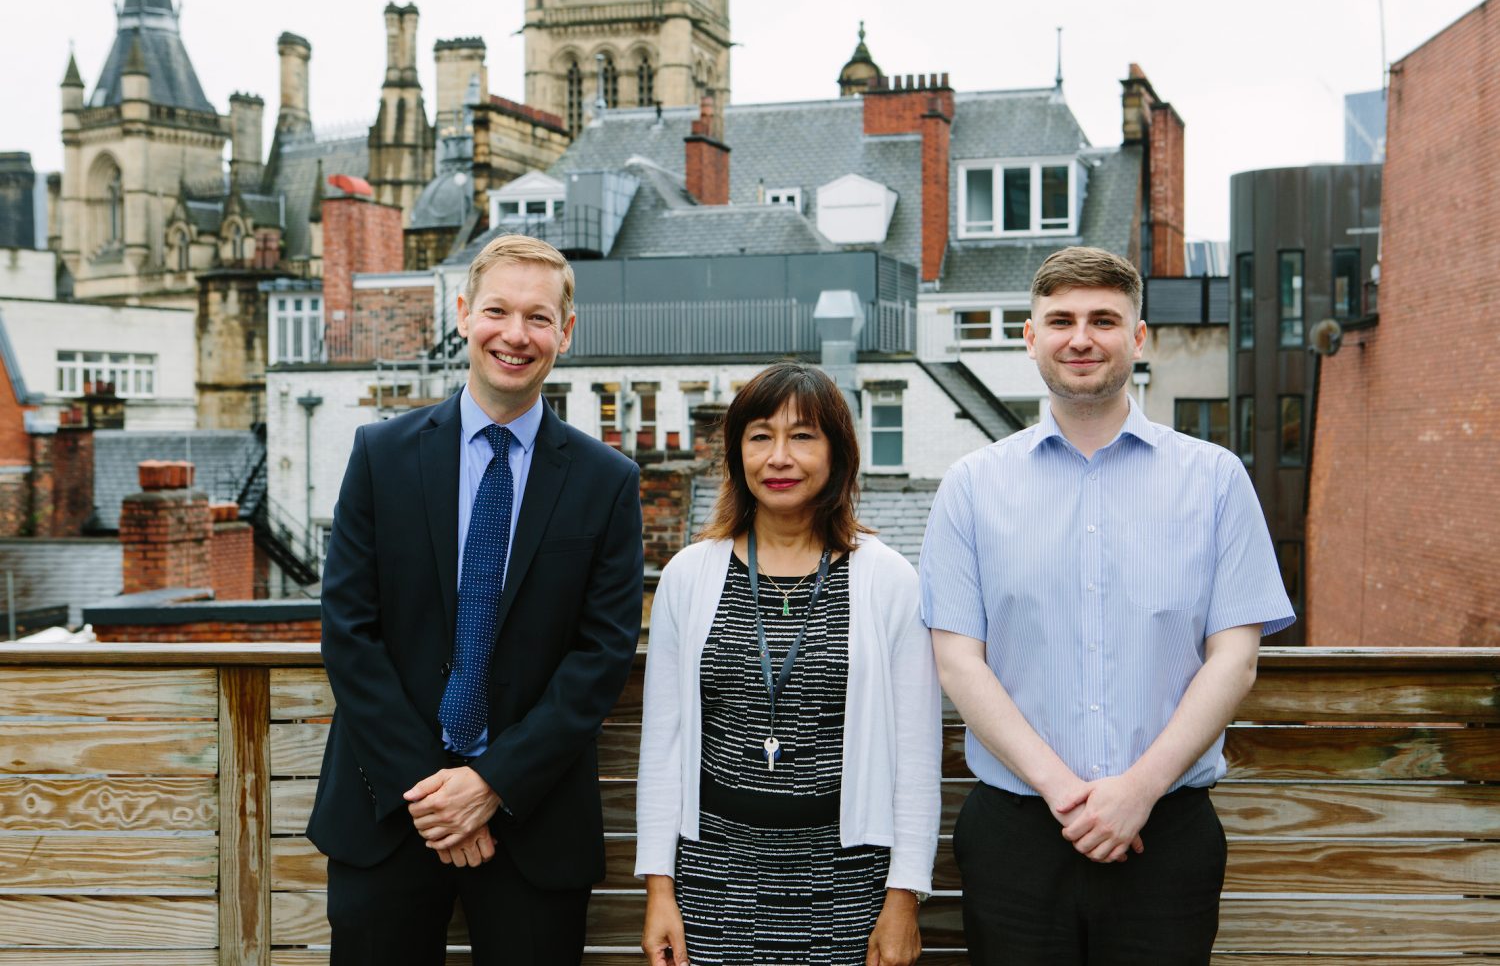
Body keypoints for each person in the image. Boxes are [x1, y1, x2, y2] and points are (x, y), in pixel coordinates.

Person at [920, 246, 1294, 966]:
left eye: (1104, 319)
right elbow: (958, 663)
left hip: (1167, 831)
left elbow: (1236, 659)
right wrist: (1069, 794)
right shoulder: (970, 487)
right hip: (1016, 834)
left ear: (1139, 337)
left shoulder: (1215, 480)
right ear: (1030, 338)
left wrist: (1136, 792)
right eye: (1059, 320)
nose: (1081, 337)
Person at [308, 234, 644, 966]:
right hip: (386, 812)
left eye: (538, 318)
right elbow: (348, 631)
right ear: (462, 314)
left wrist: (491, 783)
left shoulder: (607, 482)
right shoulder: (380, 455)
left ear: (566, 332)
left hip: (535, 824)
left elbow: (602, 655)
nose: (515, 335)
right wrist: (433, 796)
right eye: (497, 310)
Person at [636, 362, 941, 966]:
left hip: (846, 875)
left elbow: (915, 752)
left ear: (837, 454)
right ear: (736, 452)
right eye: (759, 436)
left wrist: (903, 898)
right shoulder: (690, 575)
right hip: (713, 872)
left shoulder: (886, 579)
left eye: (803, 436)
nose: (779, 457)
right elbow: (662, 748)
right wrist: (658, 888)